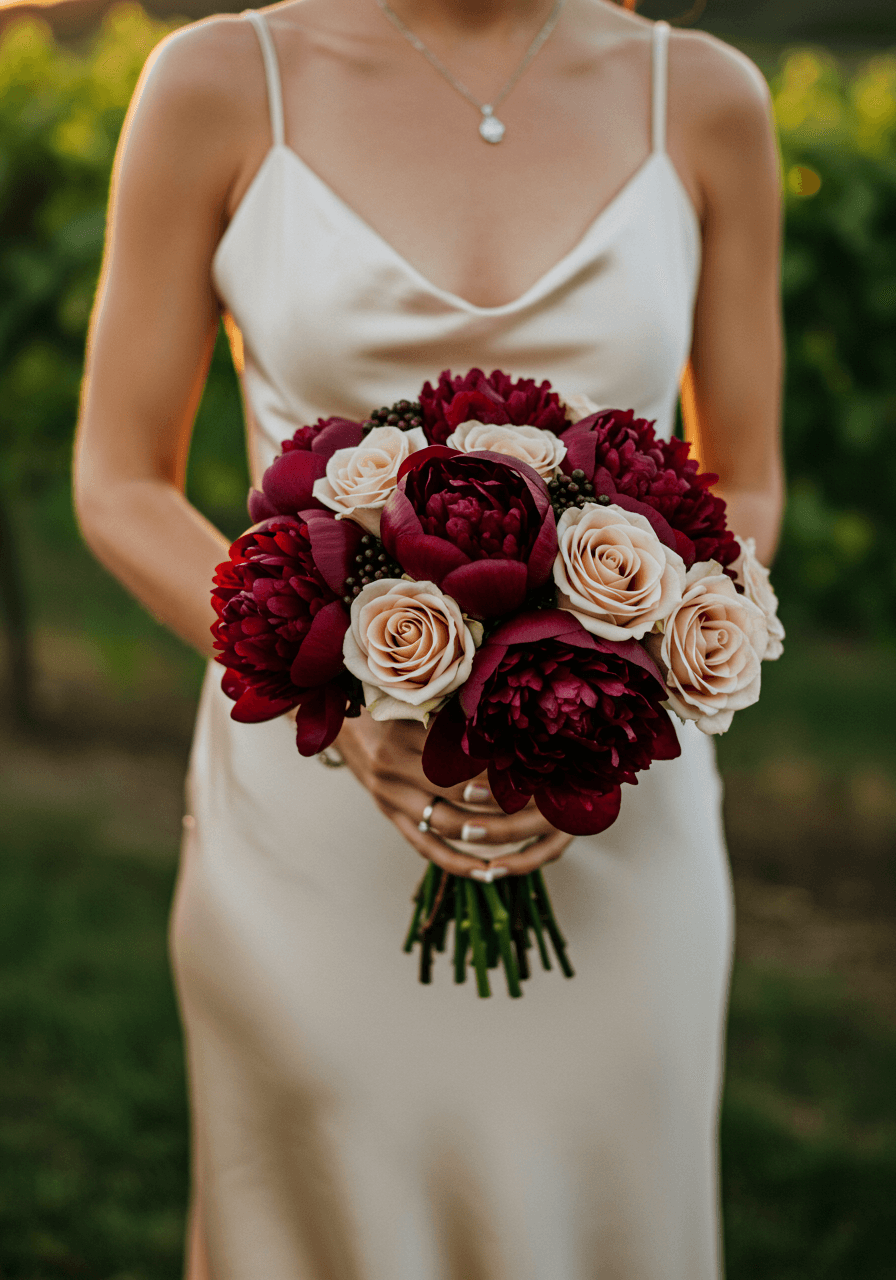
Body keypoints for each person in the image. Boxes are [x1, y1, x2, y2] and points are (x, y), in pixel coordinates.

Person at [73, 0, 784, 1273]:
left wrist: (623, 667)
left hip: (616, 805)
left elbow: (750, 476)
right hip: (311, 823)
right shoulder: (221, 82)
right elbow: (117, 476)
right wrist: (327, 682)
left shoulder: (707, 98)